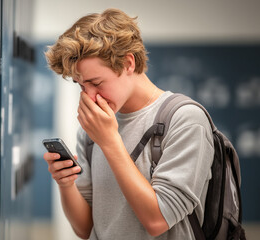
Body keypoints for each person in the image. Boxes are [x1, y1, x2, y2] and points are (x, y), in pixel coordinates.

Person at [43, 8, 214, 240]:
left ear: (128, 63)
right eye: (81, 86)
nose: (90, 97)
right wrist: (66, 184)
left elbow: (157, 221)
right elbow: (85, 228)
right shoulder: (93, 128)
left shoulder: (185, 119)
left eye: (96, 82)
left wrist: (110, 141)